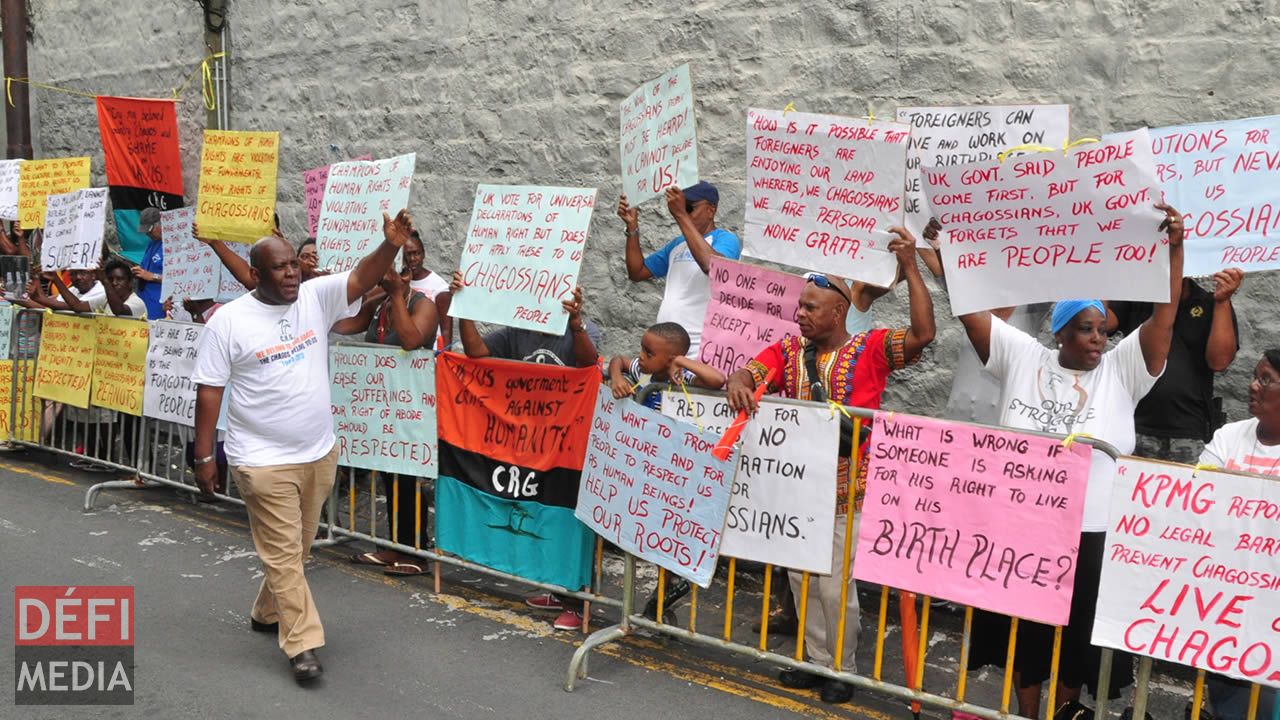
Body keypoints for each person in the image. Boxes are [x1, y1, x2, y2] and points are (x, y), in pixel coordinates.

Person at [953, 204, 1185, 718]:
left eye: (1102, 330)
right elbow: (970, 310)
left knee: (1078, 640)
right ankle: (1026, 713)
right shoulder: (1023, 357)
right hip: (1025, 527)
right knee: (1026, 634)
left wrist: (1174, 250)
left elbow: (1164, 316)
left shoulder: (1121, 370)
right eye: (1085, 329)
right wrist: (952, 249)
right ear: (1059, 332)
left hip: (1092, 531)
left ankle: (1067, 712)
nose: (1098, 340)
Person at [191, 209, 413, 684]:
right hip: (261, 462)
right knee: (286, 555)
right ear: (256, 274)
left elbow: (360, 278)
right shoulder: (228, 322)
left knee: (296, 547)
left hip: (317, 452)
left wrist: (391, 244)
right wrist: (204, 455)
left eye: (294, 263)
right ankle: (302, 644)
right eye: (280, 266)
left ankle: (266, 612)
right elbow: (209, 390)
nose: (292, 272)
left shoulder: (314, 296)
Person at [725, 227, 936, 704]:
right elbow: (750, 370)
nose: (799, 314)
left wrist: (910, 266)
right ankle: (816, 661)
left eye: (809, 307)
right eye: (799, 306)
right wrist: (739, 379)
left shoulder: (871, 349)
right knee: (801, 577)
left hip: (847, 489)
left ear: (839, 311)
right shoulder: (787, 352)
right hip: (799, 490)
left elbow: (924, 334)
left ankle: (844, 668)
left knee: (836, 584)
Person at [451, 270, 599, 631]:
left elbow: (590, 363)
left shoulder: (583, 328)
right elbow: (476, 351)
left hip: (568, 447)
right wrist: (464, 307)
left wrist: (576, 323)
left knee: (571, 519)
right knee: (541, 514)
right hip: (531, 445)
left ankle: (579, 602)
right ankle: (558, 588)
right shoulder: (518, 330)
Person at [336, 268, 437, 575]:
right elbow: (346, 325)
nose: (397, 275)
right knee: (390, 478)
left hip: (412, 406)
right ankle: (393, 546)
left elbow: (410, 340)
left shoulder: (422, 305)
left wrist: (395, 294)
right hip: (383, 406)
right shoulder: (380, 303)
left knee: (409, 478)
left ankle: (415, 551)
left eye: (404, 270)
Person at [1197, 351, 1280, 720]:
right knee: (1228, 704)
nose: (1252, 385)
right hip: (1225, 602)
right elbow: (1194, 499)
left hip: (1272, 609)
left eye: (1265, 379)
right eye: (1254, 376)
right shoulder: (1229, 437)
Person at [1110, 269, 1242, 463]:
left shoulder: (1209, 301)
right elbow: (1103, 323)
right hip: (1131, 424)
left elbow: (1219, 361)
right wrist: (1104, 274)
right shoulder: (1136, 297)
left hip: (1187, 430)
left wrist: (1222, 301)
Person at [619, 181, 741, 357]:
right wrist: (632, 227)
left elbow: (712, 266)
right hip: (666, 349)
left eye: (689, 207)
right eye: (682, 207)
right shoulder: (678, 244)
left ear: (711, 210)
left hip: (699, 349)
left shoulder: (726, 239)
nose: (684, 212)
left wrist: (681, 215)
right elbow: (637, 271)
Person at [608, 321, 725, 405]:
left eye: (649, 354)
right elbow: (619, 360)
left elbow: (718, 380)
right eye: (642, 349)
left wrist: (681, 361)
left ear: (670, 360)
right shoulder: (642, 371)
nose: (641, 356)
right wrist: (617, 378)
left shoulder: (681, 379)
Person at [404, 230, 452, 349]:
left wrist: (442, 361)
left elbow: (446, 331)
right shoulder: (398, 283)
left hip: (429, 358)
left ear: (424, 254)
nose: (412, 258)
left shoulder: (439, 287)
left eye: (416, 253)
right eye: (407, 254)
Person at [130, 207, 165, 319]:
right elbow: (146, 267)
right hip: (144, 299)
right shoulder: (152, 243)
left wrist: (152, 276)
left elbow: (179, 279)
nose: (147, 234)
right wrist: (137, 271)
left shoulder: (172, 245)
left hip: (160, 302)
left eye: (149, 230)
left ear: (160, 225)